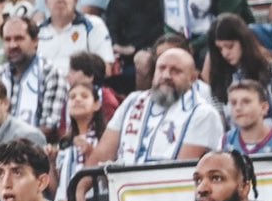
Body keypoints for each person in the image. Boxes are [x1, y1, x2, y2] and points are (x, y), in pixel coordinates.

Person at [93, 46, 224, 165]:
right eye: (161, 68)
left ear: (193, 78)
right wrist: (79, 190)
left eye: (176, 71)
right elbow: (102, 154)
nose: (166, 75)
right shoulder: (133, 101)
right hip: (123, 189)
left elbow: (181, 173)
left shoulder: (204, 114)